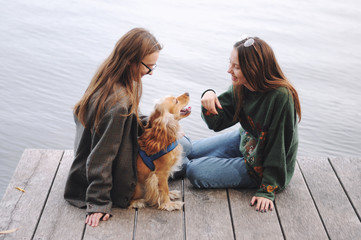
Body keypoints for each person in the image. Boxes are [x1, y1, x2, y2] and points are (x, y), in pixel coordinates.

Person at [185, 36, 301, 213]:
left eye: (236, 67)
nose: (229, 70)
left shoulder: (281, 97)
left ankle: (172, 166)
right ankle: (167, 164)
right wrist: (208, 96)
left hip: (263, 165)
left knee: (195, 171)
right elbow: (217, 122)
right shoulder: (241, 85)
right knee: (187, 149)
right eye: (230, 63)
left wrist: (267, 190)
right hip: (246, 140)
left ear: (254, 69)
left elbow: (279, 147)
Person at [64, 28, 163, 227]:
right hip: (117, 178)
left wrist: (158, 123)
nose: (151, 73)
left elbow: (129, 122)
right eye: (148, 67)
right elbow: (102, 155)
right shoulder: (118, 104)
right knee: (185, 160)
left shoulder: (107, 79)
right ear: (130, 60)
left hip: (89, 164)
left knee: (182, 143)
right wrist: (98, 202)